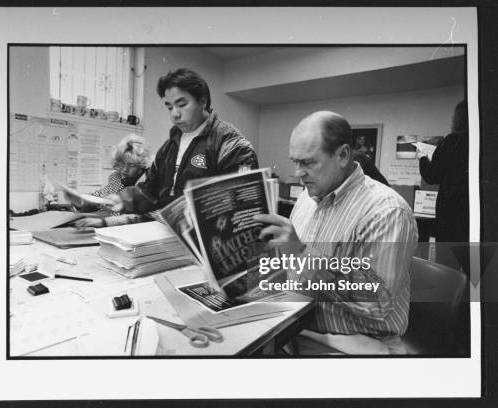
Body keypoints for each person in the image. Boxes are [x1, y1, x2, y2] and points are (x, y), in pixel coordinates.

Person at [255, 111, 418, 354]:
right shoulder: (306, 199)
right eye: (295, 162)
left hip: (354, 344)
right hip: (294, 327)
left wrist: (300, 253)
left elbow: (376, 304)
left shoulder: (386, 211)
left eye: (308, 162)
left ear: (342, 155)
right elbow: (291, 268)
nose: (298, 173)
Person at [107, 68, 258, 214]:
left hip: (206, 236)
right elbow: (149, 190)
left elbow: (241, 202)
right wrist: (122, 200)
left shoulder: (230, 143)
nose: (175, 114)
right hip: (168, 232)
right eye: (169, 107)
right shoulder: (169, 146)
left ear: (203, 101)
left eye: (182, 105)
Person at [64, 133, 153, 228]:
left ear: (142, 165)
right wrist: (80, 201)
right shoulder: (119, 177)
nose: (125, 169)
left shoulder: (148, 181)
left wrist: (104, 222)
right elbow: (102, 196)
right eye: (122, 163)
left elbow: (148, 217)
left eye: (131, 165)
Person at [418, 100, 469, 243]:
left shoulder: (453, 141)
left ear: (458, 118)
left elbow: (431, 176)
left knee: (446, 261)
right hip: (477, 213)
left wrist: (422, 155)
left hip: (451, 212)